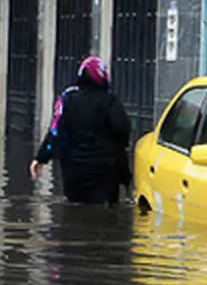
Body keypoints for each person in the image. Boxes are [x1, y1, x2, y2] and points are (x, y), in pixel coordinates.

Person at [29, 56, 133, 206]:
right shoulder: (110, 102)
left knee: (75, 211)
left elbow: (55, 133)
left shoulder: (68, 100)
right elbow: (123, 130)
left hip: (74, 173)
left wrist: (41, 158)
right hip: (105, 174)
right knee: (106, 215)